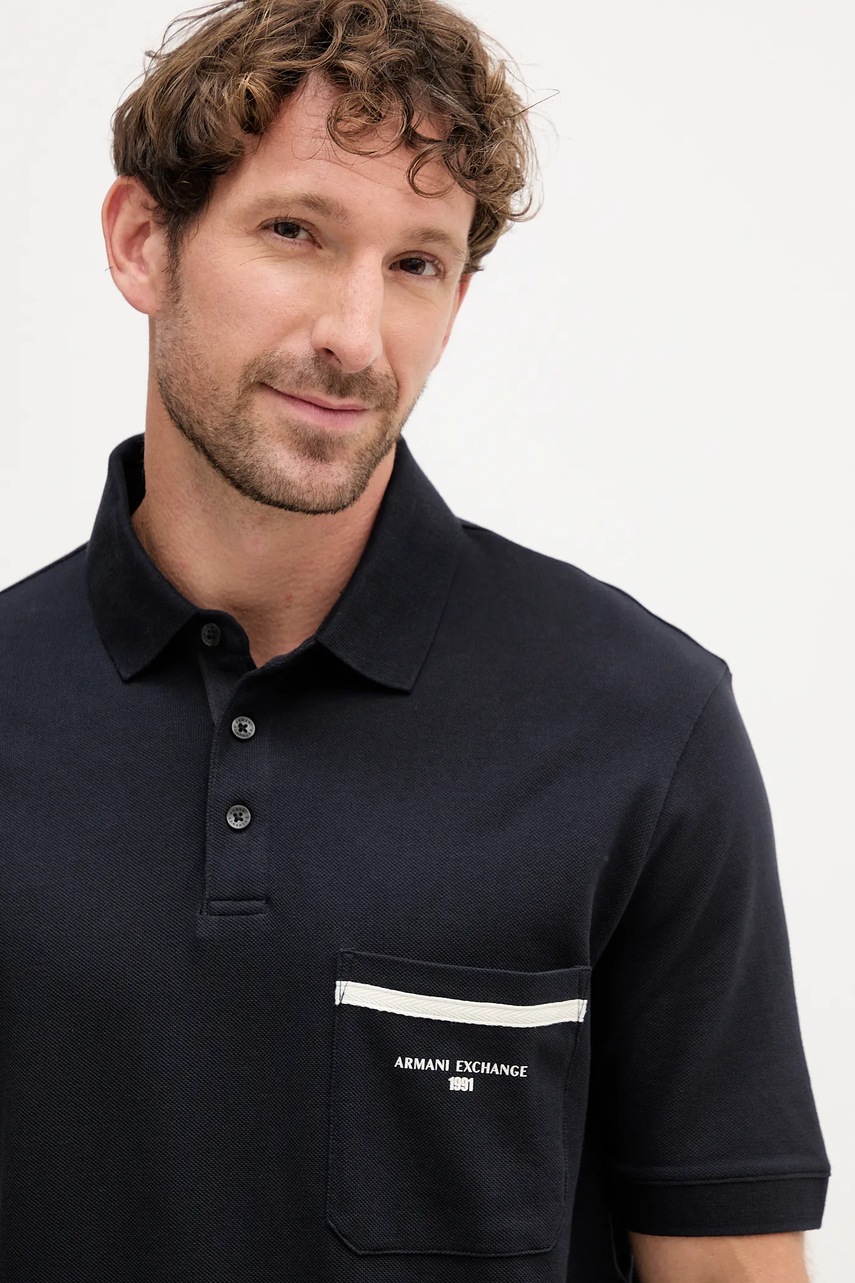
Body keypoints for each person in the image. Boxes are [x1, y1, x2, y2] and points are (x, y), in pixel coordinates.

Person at [0, 1, 830, 1279]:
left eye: (416, 263)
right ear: (141, 241)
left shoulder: (643, 727)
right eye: (296, 232)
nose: (355, 333)